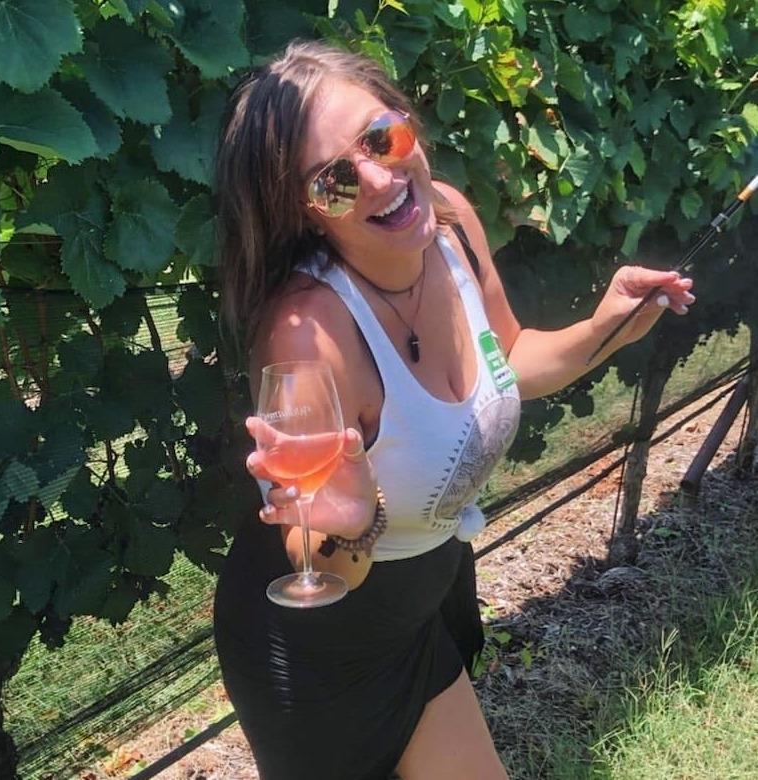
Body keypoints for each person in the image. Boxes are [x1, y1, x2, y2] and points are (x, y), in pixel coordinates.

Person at [213, 40, 695, 780]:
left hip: (420, 606)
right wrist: (354, 519)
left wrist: (606, 327)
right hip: (315, 654)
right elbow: (320, 561)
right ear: (303, 212)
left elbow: (511, 357)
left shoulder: (450, 222)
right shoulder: (309, 334)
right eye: (335, 181)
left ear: (406, 122)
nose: (380, 179)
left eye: (382, 138)